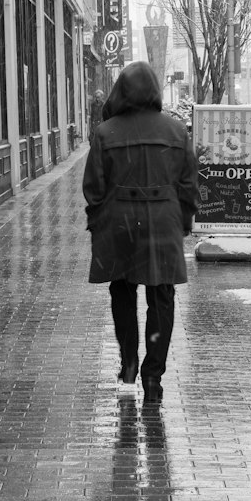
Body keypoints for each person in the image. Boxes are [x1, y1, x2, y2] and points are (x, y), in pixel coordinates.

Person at [83, 62, 199, 404]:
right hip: (163, 220)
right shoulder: (176, 132)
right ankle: (153, 375)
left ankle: (129, 362)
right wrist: (183, 220)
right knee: (161, 296)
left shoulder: (106, 133)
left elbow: (93, 188)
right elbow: (190, 185)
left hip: (120, 221)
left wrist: (99, 221)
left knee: (122, 290)